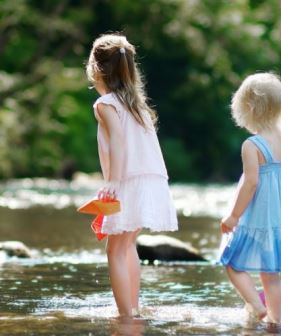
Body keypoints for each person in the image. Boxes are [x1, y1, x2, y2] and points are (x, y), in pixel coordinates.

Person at [86, 33, 178, 318]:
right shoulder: (137, 105)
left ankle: (125, 315)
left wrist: (112, 182)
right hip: (152, 178)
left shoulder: (106, 104)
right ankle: (133, 309)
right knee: (127, 246)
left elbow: (118, 143)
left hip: (127, 179)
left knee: (115, 249)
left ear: (95, 68)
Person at [220, 72, 281, 325]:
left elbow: (251, 182)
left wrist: (233, 216)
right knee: (271, 275)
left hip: (257, 217)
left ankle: (255, 304)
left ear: (248, 109)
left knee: (231, 261)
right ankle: (274, 321)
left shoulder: (251, 145)